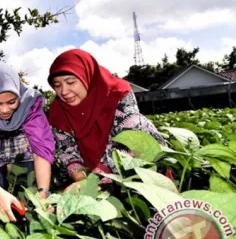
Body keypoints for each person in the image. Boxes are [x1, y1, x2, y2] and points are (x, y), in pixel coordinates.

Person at [47, 49, 166, 192]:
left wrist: (93, 181)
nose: (64, 91)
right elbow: (67, 148)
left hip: (143, 165)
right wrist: (80, 176)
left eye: (71, 82)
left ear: (87, 77)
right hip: (97, 172)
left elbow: (128, 143)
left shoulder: (118, 93)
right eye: (57, 85)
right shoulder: (58, 110)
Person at [0, 60, 55, 222]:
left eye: (12, 102)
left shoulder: (30, 102)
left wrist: (43, 195)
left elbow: (42, 149)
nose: (5, 110)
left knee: (28, 196)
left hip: (22, 147)